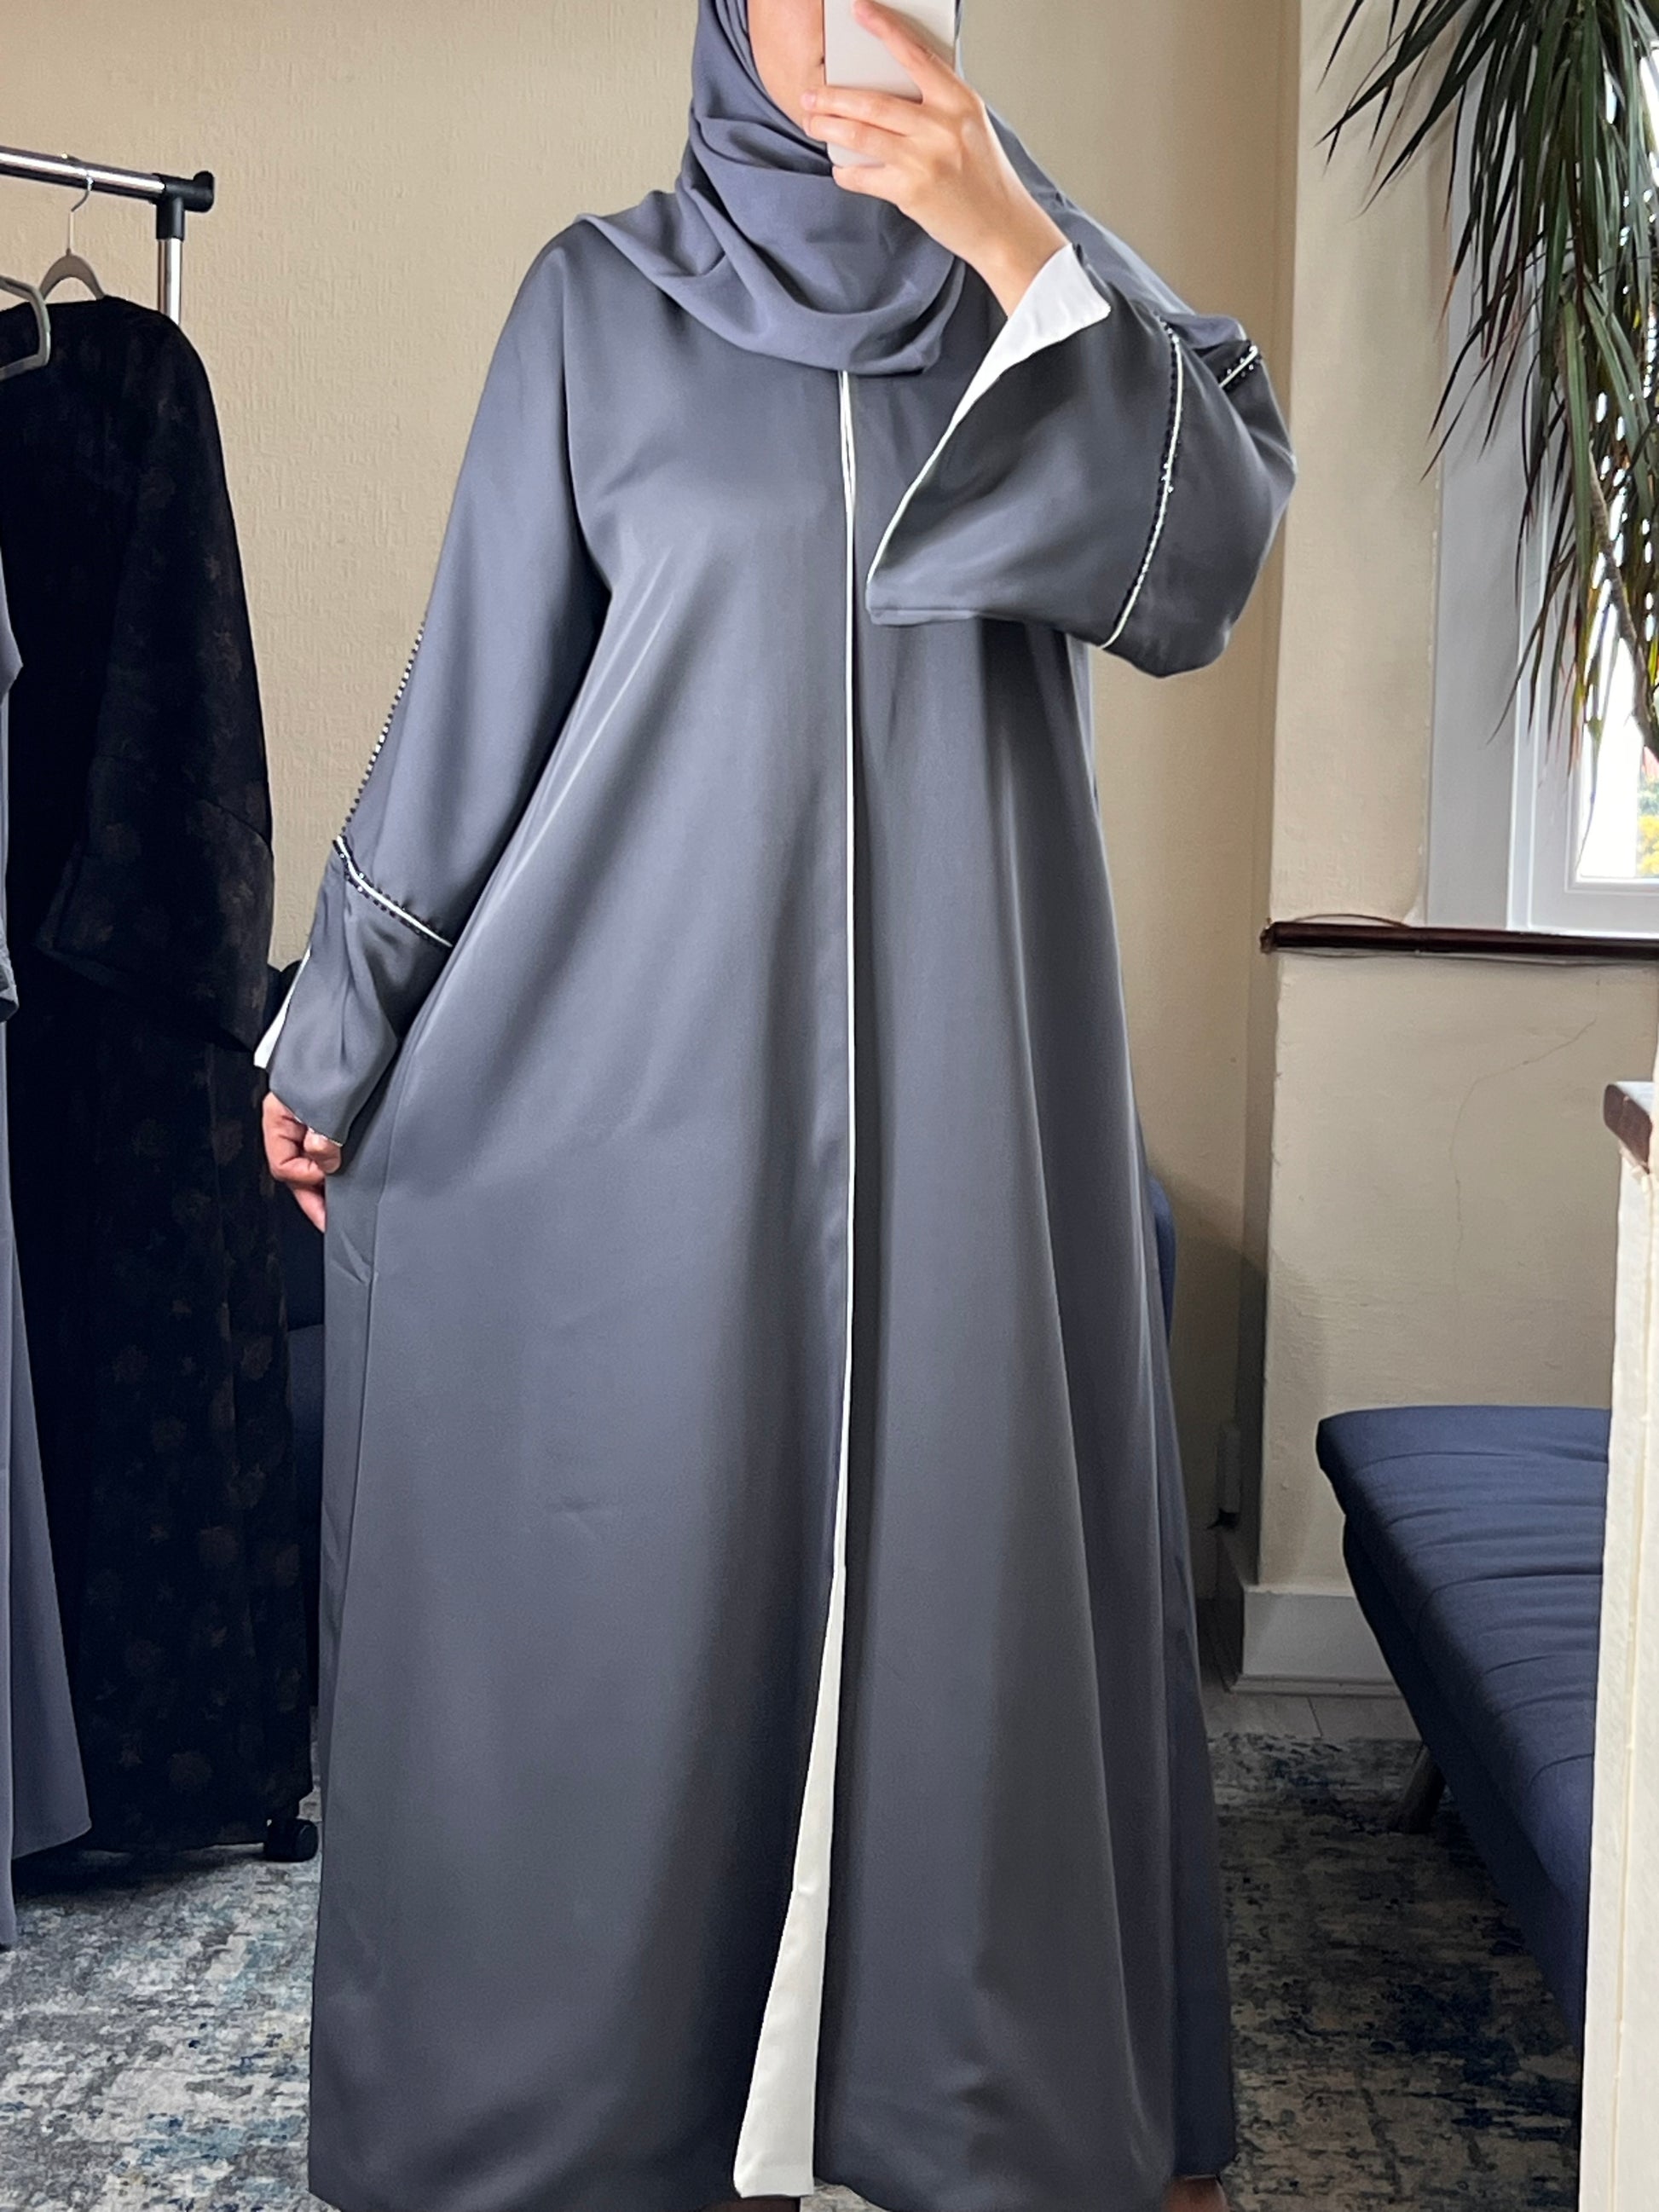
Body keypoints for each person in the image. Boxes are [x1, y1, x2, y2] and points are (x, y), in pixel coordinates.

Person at [257, 3, 1295, 2208]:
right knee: (627, 1598)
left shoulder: (1040, 289)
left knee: (961, 1592)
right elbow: (480, 697)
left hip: (973, 1102)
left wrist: (1009, 233)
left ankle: (948, 2107)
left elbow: (1203, 562)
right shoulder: (597, 306)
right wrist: (341, 1022)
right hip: (636, 1097)